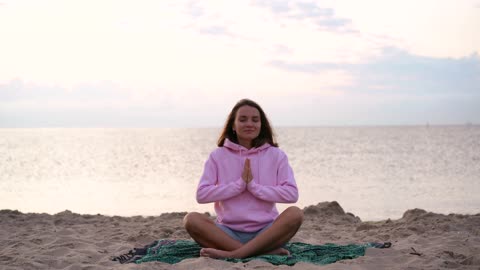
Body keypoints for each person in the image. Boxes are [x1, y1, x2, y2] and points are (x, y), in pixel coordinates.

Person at [183, 98, 304, 259]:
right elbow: (202, 194)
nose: (249, 124)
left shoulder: (277, 155)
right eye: (243, 119)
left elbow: (291, 194)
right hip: (228, 232)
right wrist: (239, 186)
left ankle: (236, 254)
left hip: (267, 232)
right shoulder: (218, 155)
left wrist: (254, 187)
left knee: (295, 214)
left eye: (255, 120)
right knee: (191, 220)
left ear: (261, 125)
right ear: (233, 125)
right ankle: (258, 253)